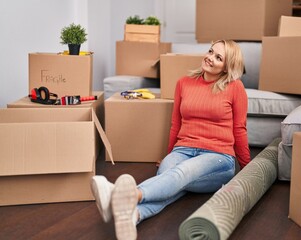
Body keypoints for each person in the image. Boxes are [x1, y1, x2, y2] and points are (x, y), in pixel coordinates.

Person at [91, 39, 251, 240]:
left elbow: (240, 130)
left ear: (227, 67)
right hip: (183, 150)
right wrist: (169, 155)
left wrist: (247, 169)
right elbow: (175, 124)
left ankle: (123, 195)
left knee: (180, 173)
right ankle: (134, 215)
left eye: (218, 57)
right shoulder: (184, 83)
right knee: (168, 174)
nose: (210, 58)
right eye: (211, 51)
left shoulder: (235, 88)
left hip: (218, 156)